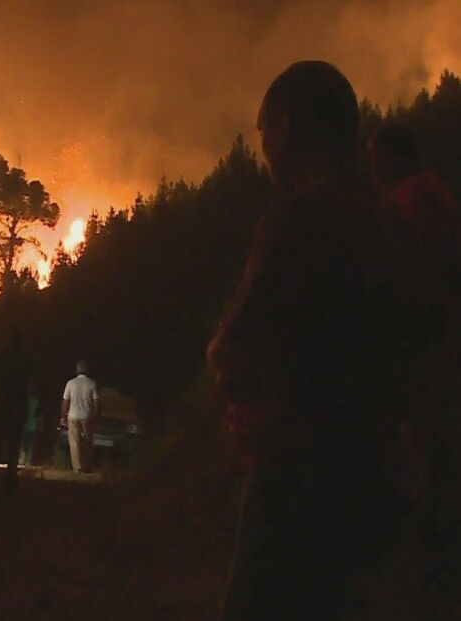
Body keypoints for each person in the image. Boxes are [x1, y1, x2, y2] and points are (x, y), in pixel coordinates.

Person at [208, 61, 410, 620]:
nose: (265, 146)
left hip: (297, 482)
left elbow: (236, 354)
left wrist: (229, 361)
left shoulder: (301, 219)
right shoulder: (390, 220)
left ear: (289, 126)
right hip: (372, 475)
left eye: (265, 129)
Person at [370, 123, 461, 602]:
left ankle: (432, 583)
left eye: (376, 155)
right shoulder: (431, 196)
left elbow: (413, 282)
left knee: (430, 469)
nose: (371, 166)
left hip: (426, 361)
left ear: (394, 156)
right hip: (434, 356)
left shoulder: (415, 202)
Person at [0, 331, 32, 494]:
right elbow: (28, 385)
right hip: (16, 409)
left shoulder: (1, 359)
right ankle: (10, 477)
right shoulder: (24, 361)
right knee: (13, 445)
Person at [62, 360, 98, 474]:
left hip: (73, 415)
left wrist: (63, 416)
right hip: (87, 415)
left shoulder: (70, 383)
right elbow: (96, 401)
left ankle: (77, 468)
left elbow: (65, 401)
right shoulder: (92, 383)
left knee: (74, 442)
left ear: (77, 370)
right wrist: (95, 414)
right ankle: (87, 466)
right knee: (88, 441)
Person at [20, 380, 41, 467]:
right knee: (30, 444)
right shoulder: (36, 401)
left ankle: (22, 460)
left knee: (23, 443)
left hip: (26, 424)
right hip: (32, 424)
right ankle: (28, 461)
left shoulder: (24, 400)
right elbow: (39, 414)